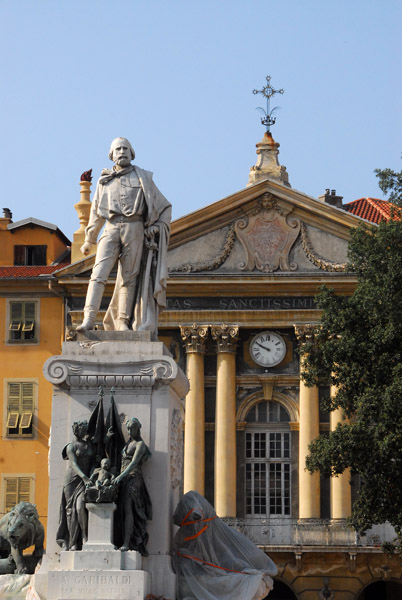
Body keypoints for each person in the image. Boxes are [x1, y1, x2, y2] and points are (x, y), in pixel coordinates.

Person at [77, 137, 171, 338]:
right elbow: (96, 212)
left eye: (126, 148)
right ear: (112, 155)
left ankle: (122, 322)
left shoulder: (143, 178)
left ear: (132, 153)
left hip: (134, 227)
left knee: (129, 277)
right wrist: (90, 239)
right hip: (110, 228)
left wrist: (155, 227)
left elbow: (165, 207)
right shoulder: (105, 181)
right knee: (98, 273)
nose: (122, 151)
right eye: (118, 149)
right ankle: (88, 319)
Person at [172, 491, 277, 600]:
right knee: (256, 584)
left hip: (209, 581)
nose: (198, 529)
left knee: (257, 583)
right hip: (198, 583)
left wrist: (249, 572)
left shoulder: (208, 540)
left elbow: (230, 562)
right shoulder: (186, 547)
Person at [113, 417, 152, 555]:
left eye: (132, 429)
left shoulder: (140, 445)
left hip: (134, 478)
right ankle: (120, 539)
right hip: (123, 479)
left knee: (128, 508)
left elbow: (134, 462)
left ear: (138, 428)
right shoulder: (128, 443)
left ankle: (127, 542)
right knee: (121, 510)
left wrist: (121, 476)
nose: (129, 431)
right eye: (128, 429)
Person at [56, 421, 94, 550]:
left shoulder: (89, 445)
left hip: (85, 480)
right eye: (82, 429)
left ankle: (84, 534)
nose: (84, 431)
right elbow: (73, 463)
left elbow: (94, 460)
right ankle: (72, 542)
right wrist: (84, 477)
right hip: (72, 480)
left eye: (85, 429)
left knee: (79, 507)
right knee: (70, 511)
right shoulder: (70, 446)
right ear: (76, 430)